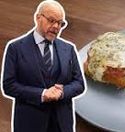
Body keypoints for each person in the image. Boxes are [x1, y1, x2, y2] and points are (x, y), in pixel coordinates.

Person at [1, 0, 85, 132]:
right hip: (29, 123)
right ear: (38, 18)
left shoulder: (68, 49)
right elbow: (9, 86)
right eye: (52, 20)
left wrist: (62, 92)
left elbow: (79, 84)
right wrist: (42, 94)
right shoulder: (15, 48)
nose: (56, 26)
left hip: (62, 123)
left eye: (60, 23)